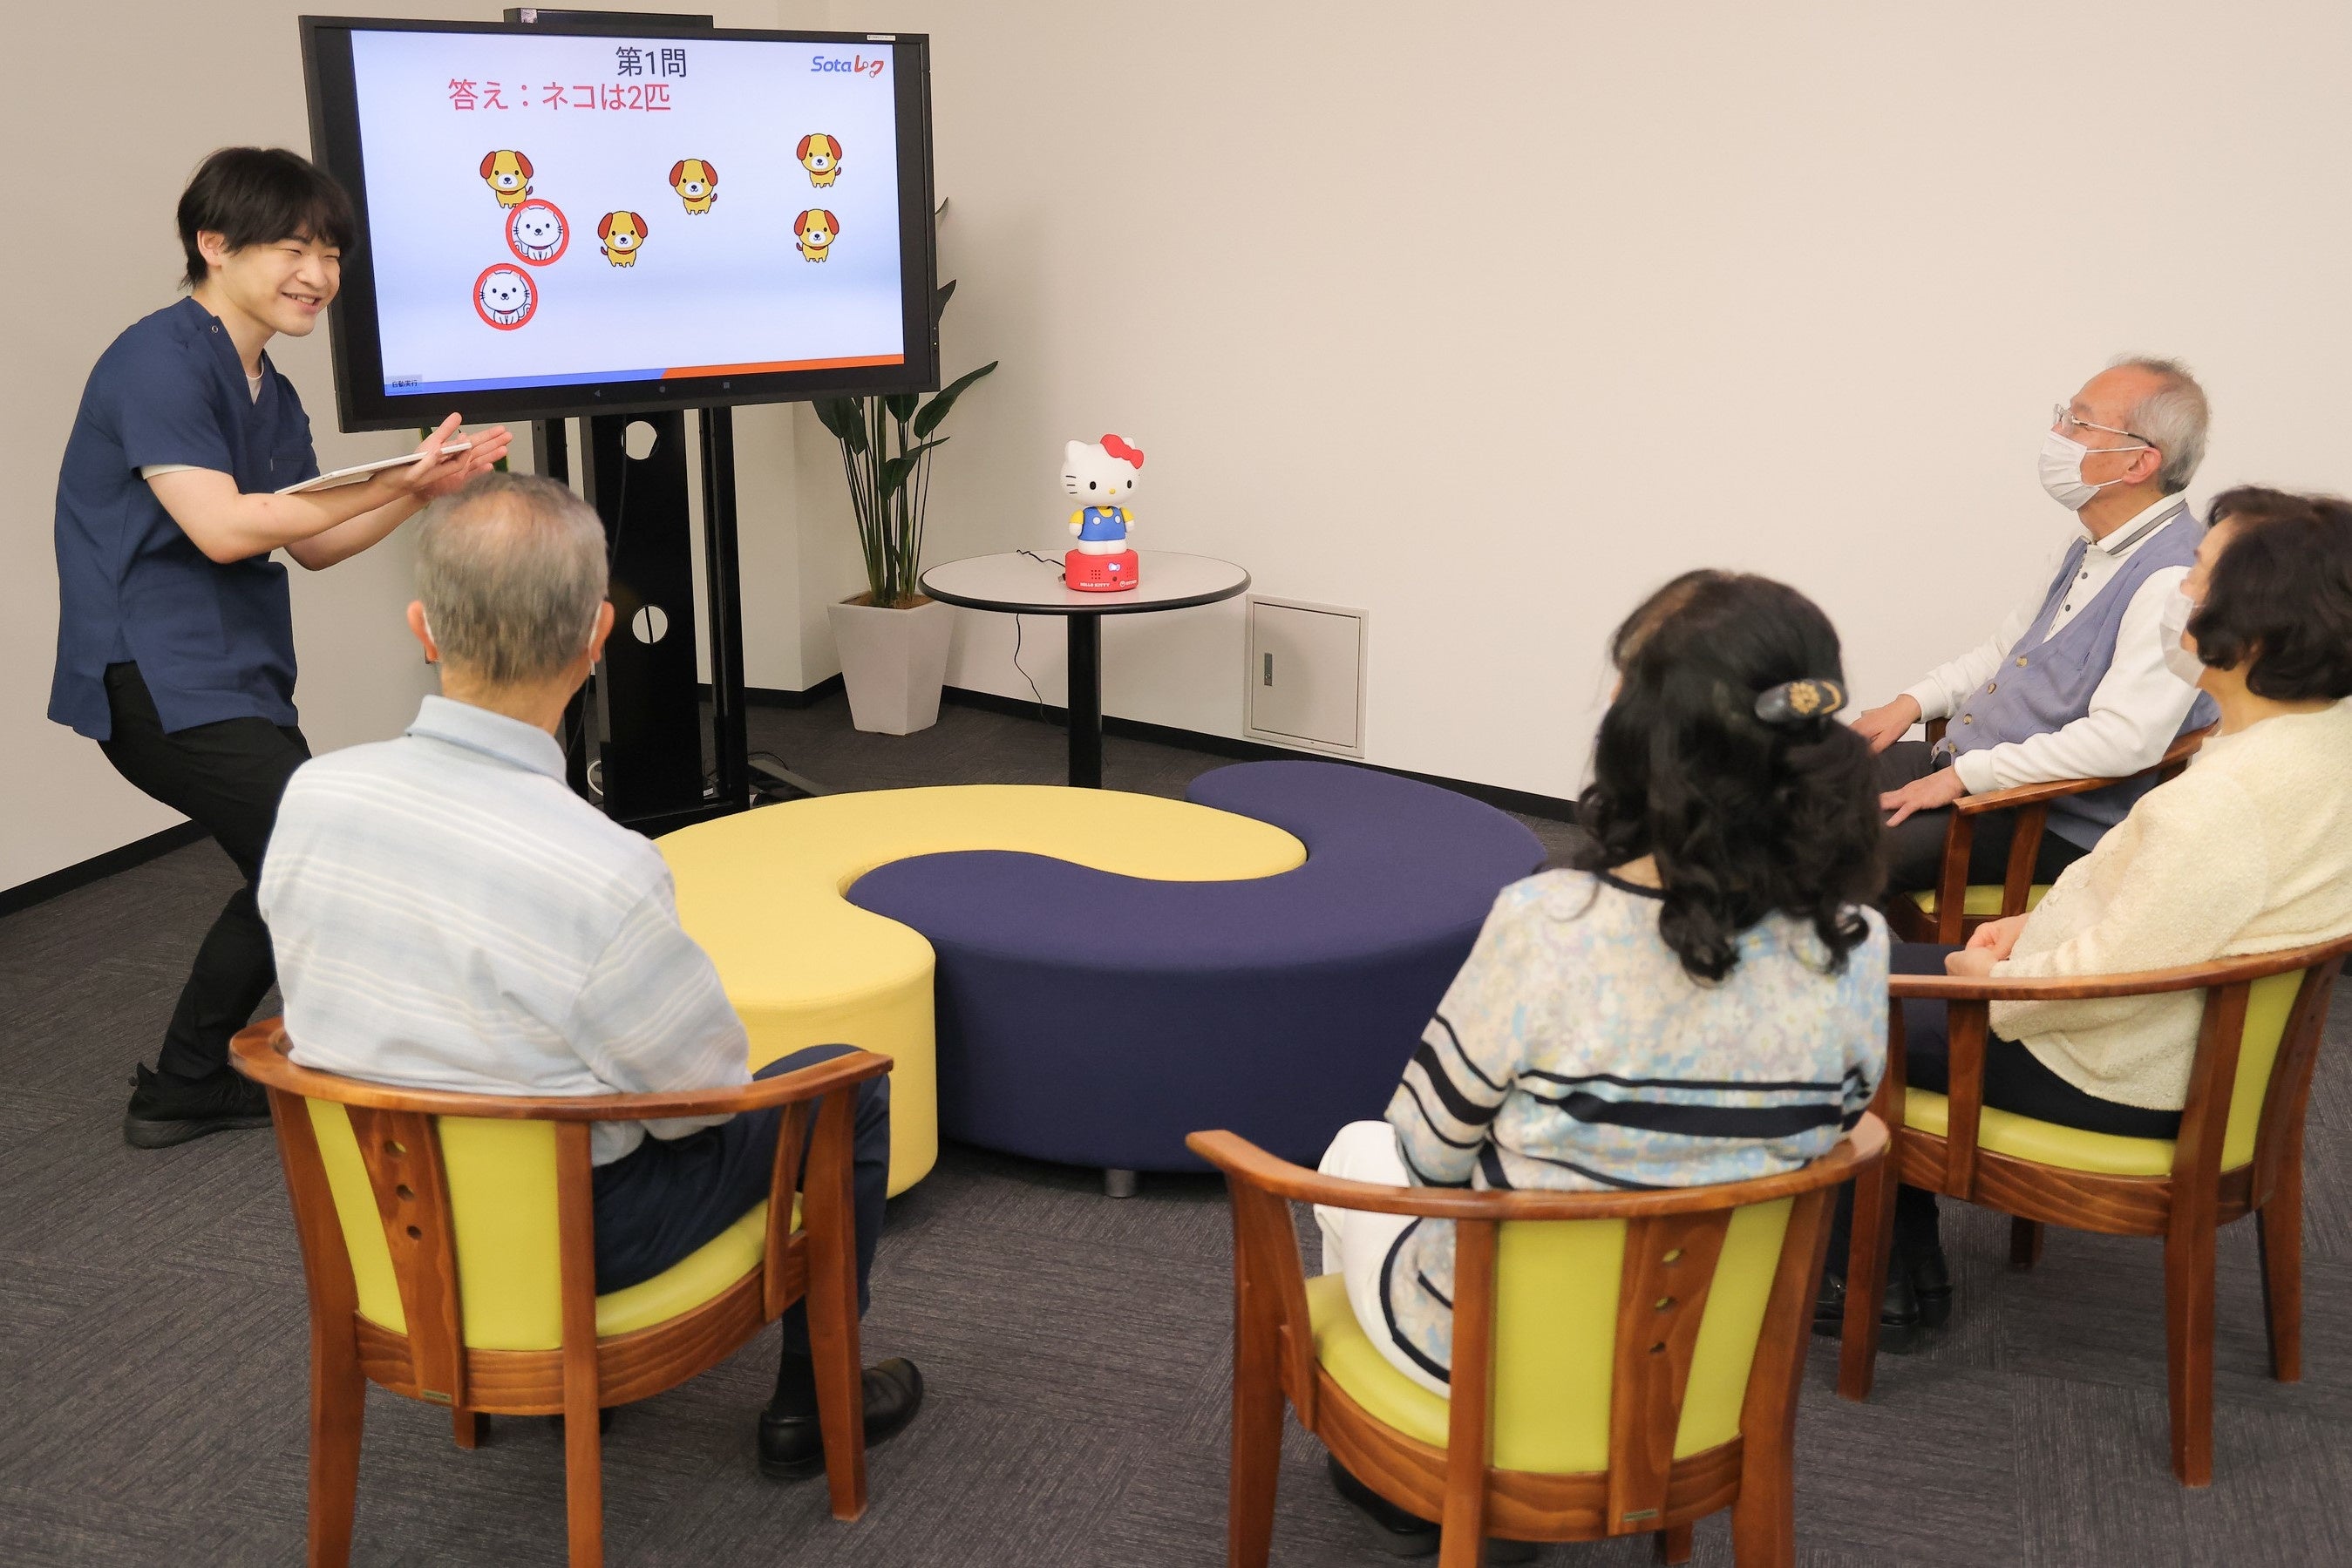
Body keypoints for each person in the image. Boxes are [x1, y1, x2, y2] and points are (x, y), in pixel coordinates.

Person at [256, 472, 923, 1478]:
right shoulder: (600, 865)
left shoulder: (313, 793)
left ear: (422, 628)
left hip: (379, 1214)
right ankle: (811, 1403)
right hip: (576, 1237)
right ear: (598, 634)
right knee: (845, 1085)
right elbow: (702, 1102)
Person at [1314, 571, 1888, 1555]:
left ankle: (1406, 1480)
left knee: (1356, 1150)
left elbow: (1425, 1154)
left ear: (1642, 740)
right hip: (1705, 1362)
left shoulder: (1547, 926)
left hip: (1492, 1357)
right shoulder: (1857, 943)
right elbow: (1827, 1129)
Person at [48, 146, 511, 1148]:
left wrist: (416, 490)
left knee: (295, 865)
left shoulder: (272, 388)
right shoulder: (157, 362)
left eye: (331, 252)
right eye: (294, 248)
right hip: (153, 675)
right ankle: (207, 1076)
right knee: (323, 851)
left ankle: (185, 1083)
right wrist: (391, 480)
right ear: (214, 245)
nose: (320, 274)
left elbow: (315, 542)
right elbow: (223, 528)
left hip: (234, 673)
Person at [1839, 488, 2352, 1330]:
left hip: (2110, 1062)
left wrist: (1989, 977)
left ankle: (1868, 1288)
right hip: (2190, 1043)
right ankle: (1902, 1262)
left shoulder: (2224, 802)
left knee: (1825, 998)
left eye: (2198, 575)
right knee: (1859, 967)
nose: (2179, 591)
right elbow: (2161, 918)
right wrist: (2028, 929)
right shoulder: (2315, 742)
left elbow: (2113, 972)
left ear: (2258, 628)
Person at [1850, 357, 2219, 895]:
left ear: (2139, 462)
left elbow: (2124, 741)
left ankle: (1845, 948)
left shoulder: (2175, 579)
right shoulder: (2086, 543)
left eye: (2079, 423)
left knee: (1829, 850)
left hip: (2043, 818)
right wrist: (1910, 703)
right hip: (1970, 769)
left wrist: (1964, 777)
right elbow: (2005, 651)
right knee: (1789, 780)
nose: (2057, 434)